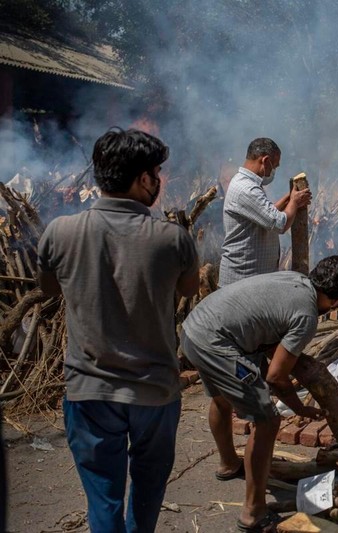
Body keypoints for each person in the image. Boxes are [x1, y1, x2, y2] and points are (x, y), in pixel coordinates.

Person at [37, 128, 200, 532]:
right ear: (143, 178)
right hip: (155, 393)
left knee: (103, 501)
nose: (159, 181)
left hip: (89, 392)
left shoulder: (59, 233)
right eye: (157, 172)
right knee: (146, 496)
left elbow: (48, 287)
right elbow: (189, 287)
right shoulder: (172, 239)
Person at [181, 256, 338, 532]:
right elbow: (275, 377)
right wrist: (299, 408)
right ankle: (253, 513)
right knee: (267, 420)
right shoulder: (307, 315)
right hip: (216, 344)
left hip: (194, 329)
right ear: (336, 300)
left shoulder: (295, 280)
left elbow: (269, 340)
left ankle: (229, 464)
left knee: (221, 398)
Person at [218, 138, 312, 286]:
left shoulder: (246, 183)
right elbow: (279, 223)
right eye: (275, 166)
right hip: (241, 281)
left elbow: (266, 213)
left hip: (250, 280)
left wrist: (290, 198)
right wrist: (294, 202)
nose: (274, 171)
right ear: (265, 161)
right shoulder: (246, 189)